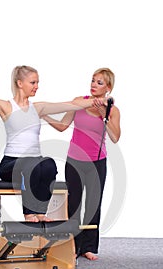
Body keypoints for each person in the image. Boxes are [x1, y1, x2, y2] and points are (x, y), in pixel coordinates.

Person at [0, 65, 108, 223]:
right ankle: (29, 212)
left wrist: (99, 101)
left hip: (34, 164)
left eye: (37, 82)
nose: (37, 86)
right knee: (30, 164)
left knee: (49, 164)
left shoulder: (38, 108)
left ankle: (40, 212)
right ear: (20, 83)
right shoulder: (6, 106)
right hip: (10, 164)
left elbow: (71, 105)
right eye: (33, 82)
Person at [42, 68, 121, 259]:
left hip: (97, 162)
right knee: (74, 205)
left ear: (108, 87)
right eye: (93, 81)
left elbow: (115, 137)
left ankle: (89, 247)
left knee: (93, 205)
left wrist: (105, 115)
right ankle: (73, 246)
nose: (94, 84)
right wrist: (44, 115)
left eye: (99, 82)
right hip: (74, 161)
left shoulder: (113, 110)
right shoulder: (79, 102)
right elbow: (62, 126)